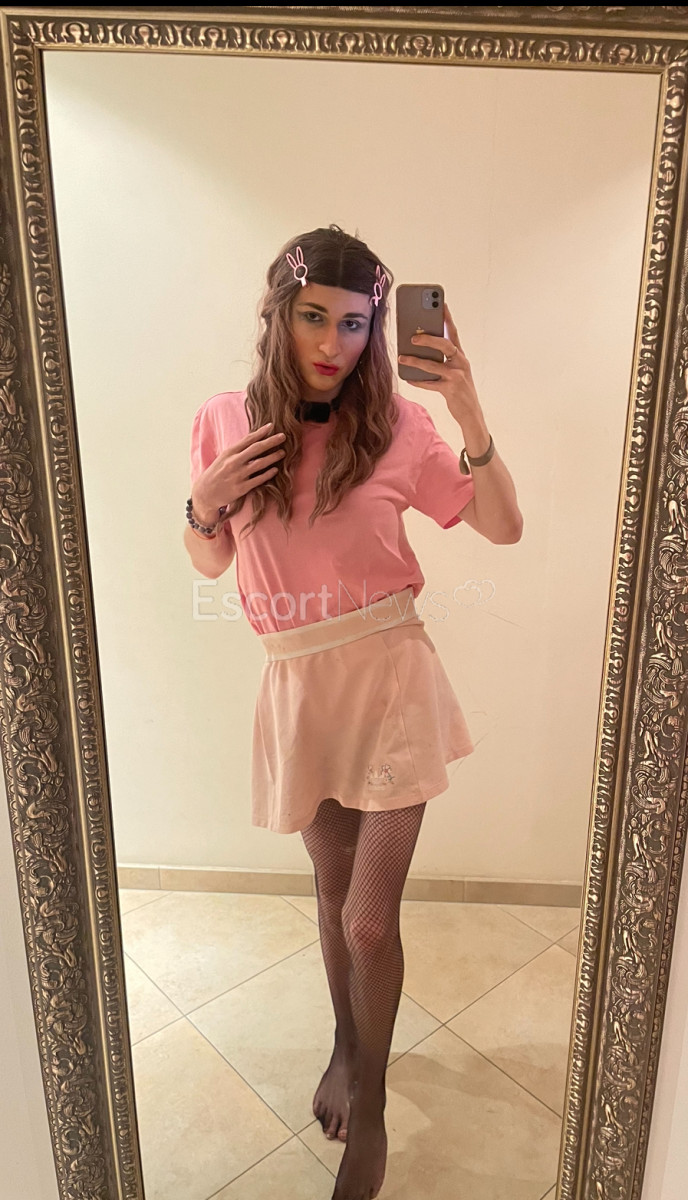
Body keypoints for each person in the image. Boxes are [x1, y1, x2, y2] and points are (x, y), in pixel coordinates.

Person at [183, 224, 522, 1200]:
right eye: (313, 317)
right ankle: (346, 1041)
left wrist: (465, 407)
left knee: (370, 920)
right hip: (296, 684)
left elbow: (503, 525)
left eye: (355, 323)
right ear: (278, 316)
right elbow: (210, 560)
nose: (333, 342)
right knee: (332, 893)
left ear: (377, 330)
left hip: (388, 678)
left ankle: (368, 1104)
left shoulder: (397, 428)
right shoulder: (224, 420)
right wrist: (203, 501)